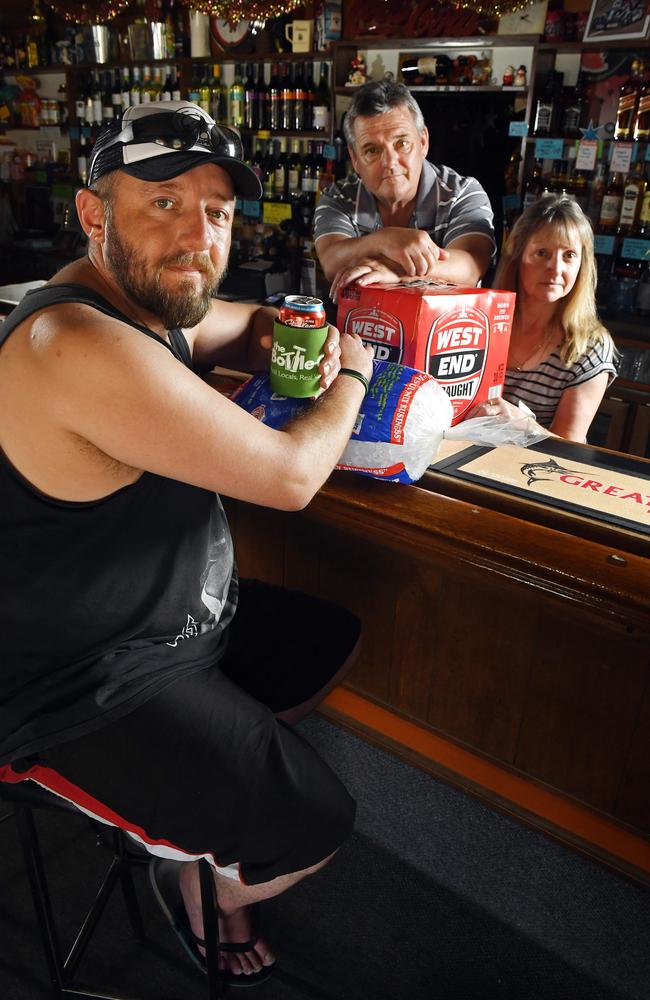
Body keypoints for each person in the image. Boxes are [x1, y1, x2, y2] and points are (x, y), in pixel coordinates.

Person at [0, 101, 374, 985]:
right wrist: (352, 368)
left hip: (170, 628)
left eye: (217, 211)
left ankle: (199, 830)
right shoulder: (71, 340)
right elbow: (290, 477)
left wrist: (280, 329)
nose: (197, 234)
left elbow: (230, 318)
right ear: (95, 216)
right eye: (163, 203)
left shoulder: (137, 300)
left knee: (329, 635)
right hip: (81, 685)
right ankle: (196, 881)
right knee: (316, 827)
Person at [313, 79, 496, 300]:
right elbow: (331, 261)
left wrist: (396, 271)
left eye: (402, 144)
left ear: (423, 142)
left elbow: (470, 265)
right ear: (355, 158)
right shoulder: (338, 196)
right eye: (372, 150)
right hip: (360, 329)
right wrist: (384, 240)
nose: (390, 162)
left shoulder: (462, 193)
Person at [469, 194, 617, 442]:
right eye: (542, 253)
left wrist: (522, 424)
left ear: (582, 265)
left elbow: (571, 449)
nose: (556, 268)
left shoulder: (589, 347)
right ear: (517, 255)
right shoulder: (480, 321)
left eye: (569, 255)